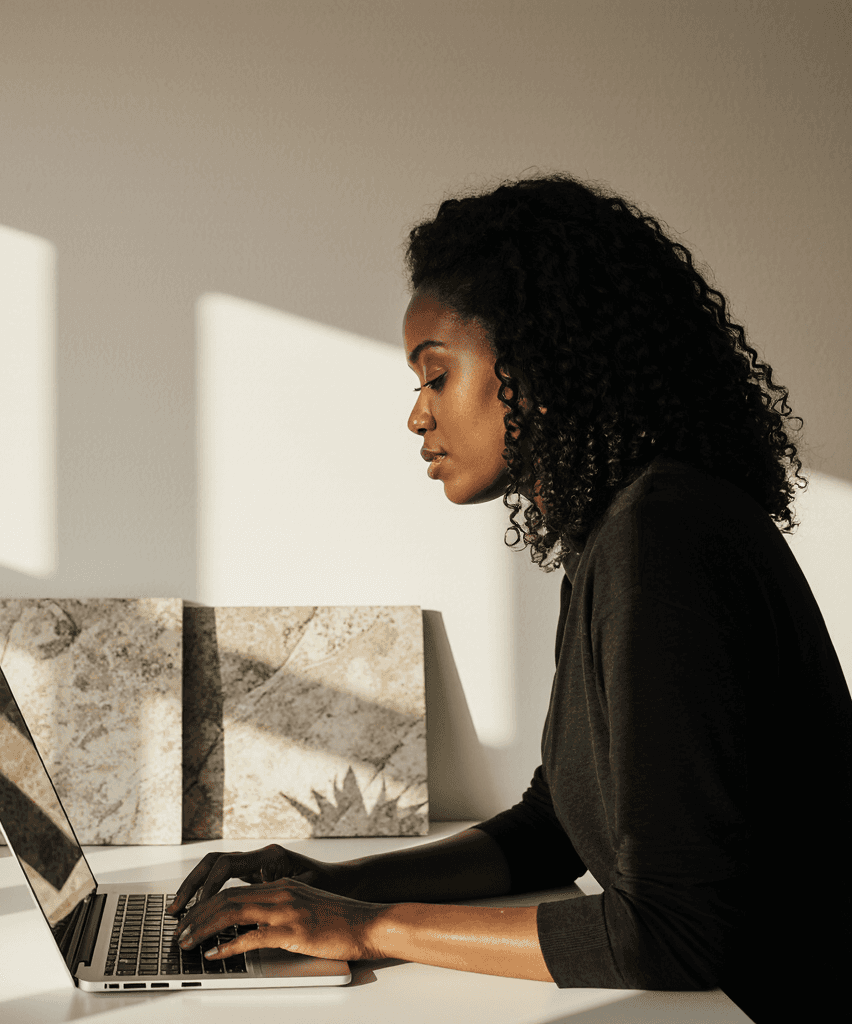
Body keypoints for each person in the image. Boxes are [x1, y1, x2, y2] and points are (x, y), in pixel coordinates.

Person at [170, 174, 852, 1022]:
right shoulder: (621, 530)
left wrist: (367, 926)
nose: (417, 417)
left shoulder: (662, 541)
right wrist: (323, 884)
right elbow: (555, 829)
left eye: (435, 376)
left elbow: (673, 932)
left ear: (537, 367)